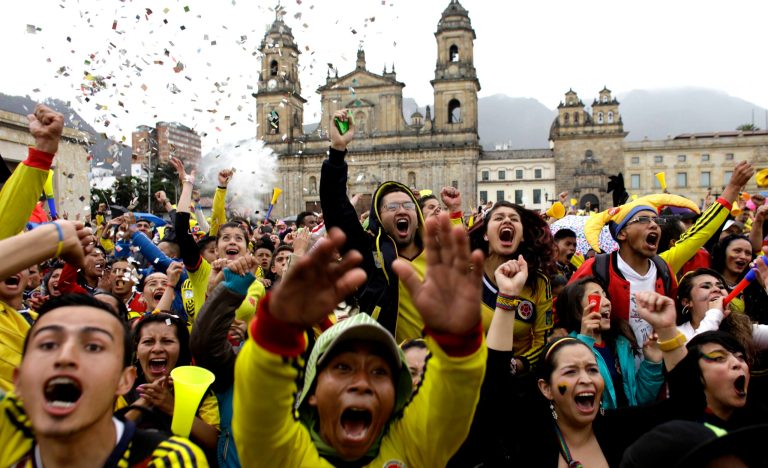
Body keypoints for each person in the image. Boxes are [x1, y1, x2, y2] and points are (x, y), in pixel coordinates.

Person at [233, 215, 487, 466]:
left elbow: (451, 396)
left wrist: (458, 343)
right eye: (343, 367)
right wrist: (277, 332)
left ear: (396, 397)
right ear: (312, 391)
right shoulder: (284, 457)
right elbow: (260, 406)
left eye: (379, 372)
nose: (362, 384)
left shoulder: (416, 449)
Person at [1, 294, 206, 466]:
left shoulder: (167, 459)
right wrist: (60, 244)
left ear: (124, 379)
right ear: (18, 379)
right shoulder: (7, 429)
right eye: (48, 344)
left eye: (93, 347)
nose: (65, 357)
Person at [571, 165, 752, 347]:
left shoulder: (663, 267)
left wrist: (732, 190)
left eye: (656, 220)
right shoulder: (597, 267)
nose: (654, 225)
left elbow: (700, 233)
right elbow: (564, 310)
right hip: (615, 369)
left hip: (657, 368)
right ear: (621, 234)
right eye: (643, 220)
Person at [320, 109, 430, 342]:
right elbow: (336, 209)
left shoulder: (441, 255)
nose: (401, 210)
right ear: (378, 217)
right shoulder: (369, 253)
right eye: (392, 207)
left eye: (408, 205)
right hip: (387, 363)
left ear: (417, 214)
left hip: (438, 368)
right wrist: (337, 150)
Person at [469, 200, 556, 374]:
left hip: (517, 386)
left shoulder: (538, 282)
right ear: (486, 234)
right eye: (499, 217)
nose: (507, 221)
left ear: (522, 235)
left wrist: (516, 365)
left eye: (514, 219)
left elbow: (543, 341)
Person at [556, 277, 664, 409]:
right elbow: (572, 400)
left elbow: (638, 401)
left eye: (605, 296)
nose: (607, 302)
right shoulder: (564, 348)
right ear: (577, 310)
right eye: (596, 297)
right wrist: (585, 341)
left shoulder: (621, 345)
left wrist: (652, 363)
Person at [122, 312, 220, 454]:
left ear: (181, 349)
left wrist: (173, 407)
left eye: (167, 341)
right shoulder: (123, 389)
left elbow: (215, 443)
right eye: (148, 342)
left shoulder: (201, 390)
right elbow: (108, 439)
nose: (157, 349)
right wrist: (146, 400)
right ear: (136, 351)